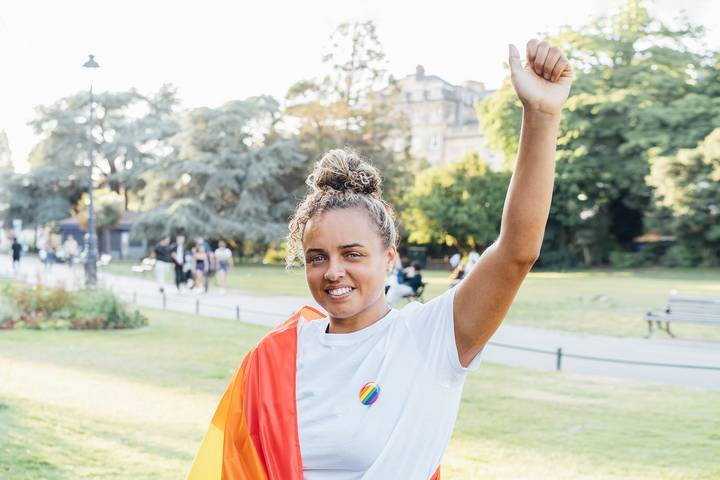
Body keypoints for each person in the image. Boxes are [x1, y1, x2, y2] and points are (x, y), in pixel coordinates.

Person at [189, 39, 572, 479]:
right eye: (317, 257)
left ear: (388, 257)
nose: (333, 272)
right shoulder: (276, 356)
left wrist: (541, 117)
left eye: (352, 254)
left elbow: (516, 252)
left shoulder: (432, 340)